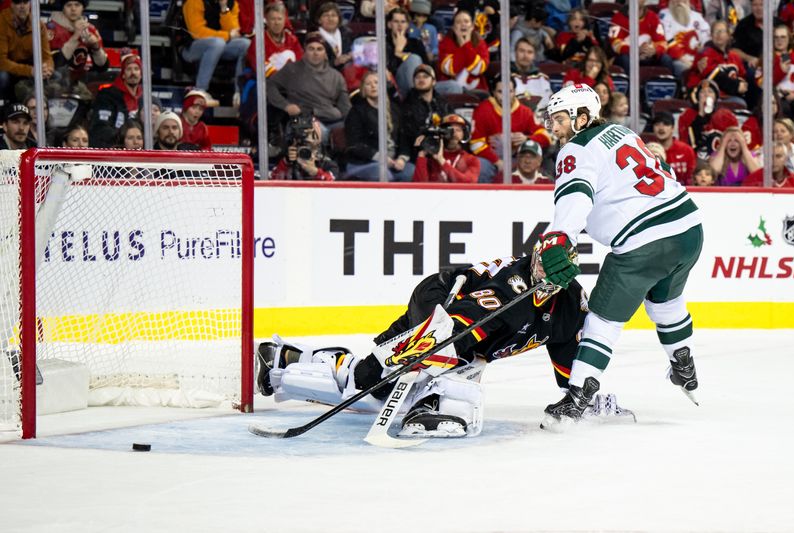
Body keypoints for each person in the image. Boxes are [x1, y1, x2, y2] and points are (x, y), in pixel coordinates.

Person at [255, 246, 632, 438]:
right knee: (379, 382)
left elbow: (568, 354)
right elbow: (452, 331)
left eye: (554, 274)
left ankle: (287, 358)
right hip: (437, 302)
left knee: (372, 390)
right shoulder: (507, 294)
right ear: (532, 259)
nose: (543, 277)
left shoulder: (567, 307)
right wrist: (397, 361)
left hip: (459, 322)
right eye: (539, 267)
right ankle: (430, 404)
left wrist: (578, 393)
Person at [538, 83, 703, 426]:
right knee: (665, 300)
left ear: (582, 117)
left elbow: (576, 196)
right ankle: (682, 362)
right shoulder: (620, 132)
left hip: (644, 242)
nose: (552, 127)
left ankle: (578, 395)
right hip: (688, 227)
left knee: (602, 319)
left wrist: (558, 237)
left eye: (558, 119)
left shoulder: (575, 150)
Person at [266, 32, 351, 145]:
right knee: (320, 134)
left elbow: (346, 109)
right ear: (305, 51)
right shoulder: (292, 69)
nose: (315, 53)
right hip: (304, 120)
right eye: (311, 49)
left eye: (319, 49)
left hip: (331, 119)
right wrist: (285, 105)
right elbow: (270, 85)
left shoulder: (337, 76)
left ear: (325, 53)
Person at [471, 74, 551, 182]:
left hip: (519, 160)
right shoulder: (482, 110)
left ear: (514, 92)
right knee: (480, 165)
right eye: (500, 92)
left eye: (510, 91)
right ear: (493, 92)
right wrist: (497, 162)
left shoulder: (525, 112)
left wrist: (527, 139)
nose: (506, 96)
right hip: (492, 161)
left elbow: (546, 137)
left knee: (543, 163)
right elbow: (475, 144)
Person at [343, 70, 413, 181]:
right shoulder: (356, 111)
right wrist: (380, 158)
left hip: (392, 162)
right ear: (363, 89)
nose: (373, 86)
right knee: (384, 175)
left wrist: (401, 159)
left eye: (376, 82)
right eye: (368, 84)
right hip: (363, 163)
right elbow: (355, 144)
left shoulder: (394, 109)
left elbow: (403, 139)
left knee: (411, 172)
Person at [181, 0, 251, 91]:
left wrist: (224, 8)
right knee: (217, 43)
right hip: (191, 48)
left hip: (218, 47)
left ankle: (239, 93)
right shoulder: (194, 1)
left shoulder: (231, 3)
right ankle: (200, 90)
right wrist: (227, 36)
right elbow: (197, 33)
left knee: (245, 44)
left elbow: (234, 31)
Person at [46, 0, 109, 100]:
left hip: (76, 83)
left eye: (77, 5)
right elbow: (55, 64)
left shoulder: (90, 29)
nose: (73, 9)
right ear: (63, 8)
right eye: (69, 5)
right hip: (52, 82)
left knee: (89, 101)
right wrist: (76, 36)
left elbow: (103, 67)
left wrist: (96, 47)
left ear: (83, 7)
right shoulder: (51, 29)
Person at [0, 0, 55, 102]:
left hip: (30, 66)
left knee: (57, 75)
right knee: (2, 77)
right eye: (18, 3)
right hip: (8, 67)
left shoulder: (39, 25)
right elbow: (2, 62)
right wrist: (30, 71)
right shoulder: (1, 22)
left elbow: (47, 56)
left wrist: (47, 68)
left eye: (25, 2)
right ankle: (4, 109)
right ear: (11, 5)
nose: (22, 6)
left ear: (30, 4)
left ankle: (46, 110)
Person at [686, 20, 748, 106]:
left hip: (727, 96)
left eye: (721, 31)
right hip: (704, 95)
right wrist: (736, 86)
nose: (718, 35)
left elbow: (742, 76)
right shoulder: (704, 53)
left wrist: (742, 85)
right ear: (711, 35)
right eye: (715, 32)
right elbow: (713, 76)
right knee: (739, 103)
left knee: (741, 104)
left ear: (728, 35)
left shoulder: (735, 57)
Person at [89, 52, 144, 148]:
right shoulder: (107, 95)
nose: (133, 73)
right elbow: (100, 128)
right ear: (123, 74)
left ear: (141, 75)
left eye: (136, 69)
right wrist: (123, 138)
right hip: (112, 150)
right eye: (129, 69)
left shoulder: (145, 98)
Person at [609, 0, 674, 76]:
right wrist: (634, 51)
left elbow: (662, 42)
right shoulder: (618, 17)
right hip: (628, 57)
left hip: (649, 56)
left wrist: (654, 50)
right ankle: (630, 87)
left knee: (666, 59)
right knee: (624, 59)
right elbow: (615, 44)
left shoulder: (653, 17)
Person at [400, 63, 453, 156]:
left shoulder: (443, 103)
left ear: (434, 81)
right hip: (417, 154)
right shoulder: (407, 105)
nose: (421, 79)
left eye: (425, 76)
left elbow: (453, 123)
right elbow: (408, 136)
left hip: (443, 152)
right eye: (417, 77)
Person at [677, 79, 738, 159]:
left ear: (716, 97)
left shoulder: (726, 115)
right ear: (698, 97)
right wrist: (701, 114)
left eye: (710, 91)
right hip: (696, 157)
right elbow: (686, 142)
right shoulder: (687, 115)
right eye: (702, 92)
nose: (706, 95)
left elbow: (734, 139)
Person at [412, 113, 479, 183]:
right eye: (449, 130)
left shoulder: (471, 160)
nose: (454, 133)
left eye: (458, 130)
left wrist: (441, 161)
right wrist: (421, 156)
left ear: (464, 134)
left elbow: (468, 183)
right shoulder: (430, 157)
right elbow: (419, 187)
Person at [270, 114, 338, 180]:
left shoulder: (327, 164)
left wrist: (315, 172)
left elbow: (333, 184)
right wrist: (286, 162)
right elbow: (273, 181)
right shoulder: (288, 162)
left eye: (310, 134)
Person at [437, 9, 489, 94]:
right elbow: (450, 69)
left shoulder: (481, 44)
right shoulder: (445, 43)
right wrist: (464, 46)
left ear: (472, 26)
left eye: (466, 21)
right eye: (458, 22)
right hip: (451, 90)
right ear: (453, 28)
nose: (463, 24)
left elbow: (478, 69)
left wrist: (466, 45)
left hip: (477, 90)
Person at [246, 1, 302, 77]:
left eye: (279, 19)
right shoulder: (259, 41)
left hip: (292, 80)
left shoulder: (292, 40)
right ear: (267, 21)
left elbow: (301, 61)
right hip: (268, 82)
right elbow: (260, 66)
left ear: (284, 20)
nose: (276, 23)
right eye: (273, 19)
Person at [658, 0, 711, 77]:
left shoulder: (697, 16)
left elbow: (706, 37)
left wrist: (703, 54)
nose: (679, 2)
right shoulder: (664, 15)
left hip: (699, 58)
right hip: (678, 60)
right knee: (685, 70)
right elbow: (667, 39)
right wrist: (683, 59)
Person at [384, 7, 428, 99]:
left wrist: (400, 54)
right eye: (396, 21)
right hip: (394, 86)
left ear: (407, 25)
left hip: (421, 83)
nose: (399, 25)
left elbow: (426, 67)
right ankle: (416, 100)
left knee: (452, 86)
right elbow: (389, 71)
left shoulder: (416, 43)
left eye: (403, 22)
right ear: (389, 24)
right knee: (413, 59)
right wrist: (397, 51)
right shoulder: (383, 44)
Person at [511, 37, 552, 121]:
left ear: (534, 56)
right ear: (515, 52)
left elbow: (548, 105)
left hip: (539, 122)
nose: (525, 56)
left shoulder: (543, 78)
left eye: (529, 52)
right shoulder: (505, 76)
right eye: (521, 51)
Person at [652, 111, 697, 185]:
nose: (661, 128)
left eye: (666, 124)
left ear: (673, 128)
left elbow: (692, 177)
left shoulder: (686, 150)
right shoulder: (648, 151)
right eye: (657, 124)